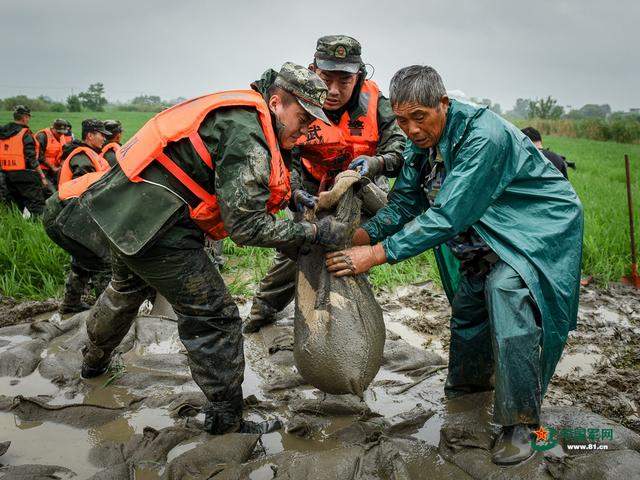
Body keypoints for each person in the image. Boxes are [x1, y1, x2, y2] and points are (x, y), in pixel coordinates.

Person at [326, 65, 584, 465]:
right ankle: (467, 392)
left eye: (419, 117)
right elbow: (405, 203)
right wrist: (361, 236)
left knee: (507, 292)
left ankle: (521, 423)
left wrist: (375, 254)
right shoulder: (421, 142)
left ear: (443, 104)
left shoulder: (484, 138)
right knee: (469, 304)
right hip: (488, 227)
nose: (410, 129)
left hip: (536, 224)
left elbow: (447, 216)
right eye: (402, 119)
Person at [77, 63, 349, 435]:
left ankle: (92, 361)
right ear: (277, 103)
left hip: (124, 212)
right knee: (215, 316)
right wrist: (314, 232)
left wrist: (291, 197)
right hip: (159, 228)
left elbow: (249, 179)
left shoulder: (247, 113)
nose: (305, 131)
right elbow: (246, 226)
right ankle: (226, 418)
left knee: (125, 289)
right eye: (303, 119)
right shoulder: (246, 131)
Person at [244, 35, 406, 333]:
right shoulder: (298, 101)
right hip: (310, 189)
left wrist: (376, 163)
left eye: (344, 81)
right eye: (325, 78)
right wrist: (294, 192)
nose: (333, 90)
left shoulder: (377, 104)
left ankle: (347, 323)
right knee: (297, 250)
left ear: (359, 76)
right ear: (313, 70)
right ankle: (260, 314)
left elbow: (400, 148)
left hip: (358, 192)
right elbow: (285, 156)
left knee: (346, 254)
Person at [43, 119, 112, 314]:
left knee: (82, 260)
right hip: (69, 212)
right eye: (101, 135)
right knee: (102, 261)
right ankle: (105, 314)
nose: (104, 139)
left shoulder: (94, 155)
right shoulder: (81, 157)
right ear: (90, 135)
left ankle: (71, 303)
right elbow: (85, 190)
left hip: (71, 213)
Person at [0, 105, 48, 215]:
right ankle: (38, 229)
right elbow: (31, 158)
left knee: (13, 207)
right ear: (24, 117)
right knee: (37, 205)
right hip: (25, 175)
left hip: (6, 174)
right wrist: (42, 176)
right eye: (28, 117)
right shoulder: (25, 134)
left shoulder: (2, 132)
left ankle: (15, 228)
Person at [36, 118, 73, 186]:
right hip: (42, 170)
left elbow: (64, 152)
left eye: (62, 133)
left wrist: (62, 164)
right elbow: (39, 157)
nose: (60, 134)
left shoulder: (61, 137)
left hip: (55, 169)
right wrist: (53, 167)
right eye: (59, 132)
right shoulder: (42, 136)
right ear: (53, 128)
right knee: (49, 191)